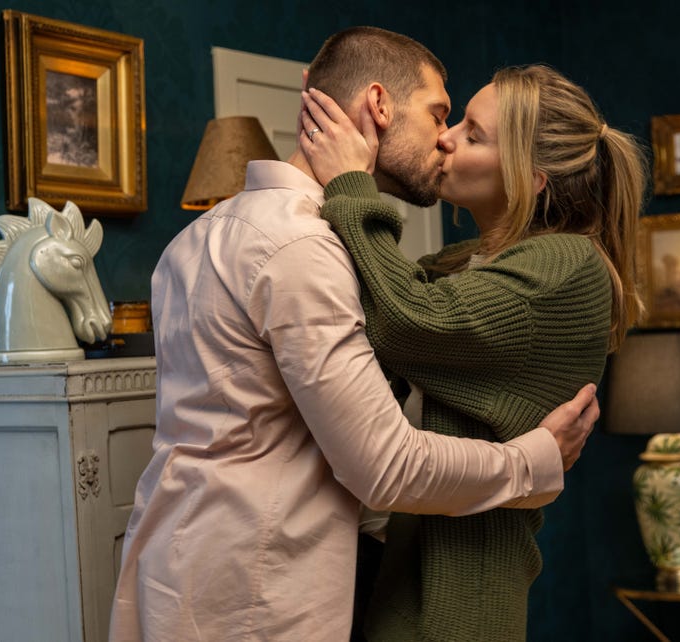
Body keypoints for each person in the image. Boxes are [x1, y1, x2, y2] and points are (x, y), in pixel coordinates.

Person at [109, 28, 602, 642]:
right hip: (256, 588)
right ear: (379, 106)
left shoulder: (198, 237)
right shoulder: (305, 249)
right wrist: (533, 463)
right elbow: (386, 464)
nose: (444, 140)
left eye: (467, 131)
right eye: (440, 114)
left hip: (178, 558)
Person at [299, 62, 647, 641]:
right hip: (391, 563)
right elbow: (379, 297)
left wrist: (351, 186)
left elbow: (408, 323)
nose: (446, 137)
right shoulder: (468, 264)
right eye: (454, 121)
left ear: (533, 178)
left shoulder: (567, 265)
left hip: (455, 591)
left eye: (473, 134)